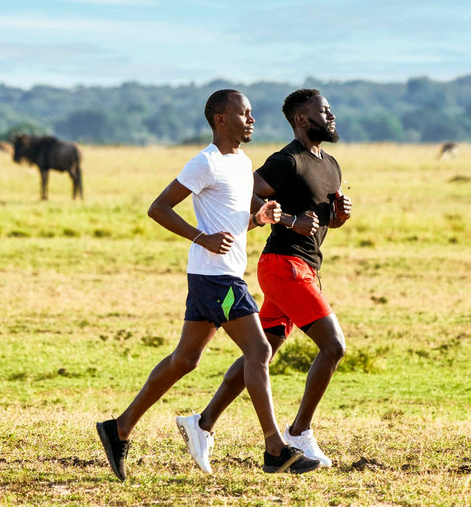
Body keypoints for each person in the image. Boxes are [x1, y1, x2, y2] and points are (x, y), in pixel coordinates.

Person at [96, 89, 320, 480]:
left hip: (214, 275)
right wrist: (201, 237)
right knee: (259, 349)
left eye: (251, 113)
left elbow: (234, 223)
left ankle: (119, 429)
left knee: (185, 360)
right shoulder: (205, 163)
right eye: (244, 113)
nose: (251, 119)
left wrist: (261, 217)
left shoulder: (242, 163)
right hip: (217, 277)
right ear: (221, 119)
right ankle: (274, 448)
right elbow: (158, 208)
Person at [176, 88, 352, 473]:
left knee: (260, 354)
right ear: (302, 119)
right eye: (324, 111)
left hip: (306, 266)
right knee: (333, 347)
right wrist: (286, 219)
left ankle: (201, 423)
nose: (332, 115)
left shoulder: (331, 165)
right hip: (283, 267)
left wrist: (337, 217)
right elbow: (247, 197)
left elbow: (319, 224)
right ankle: (298, 433)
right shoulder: (285, 161)